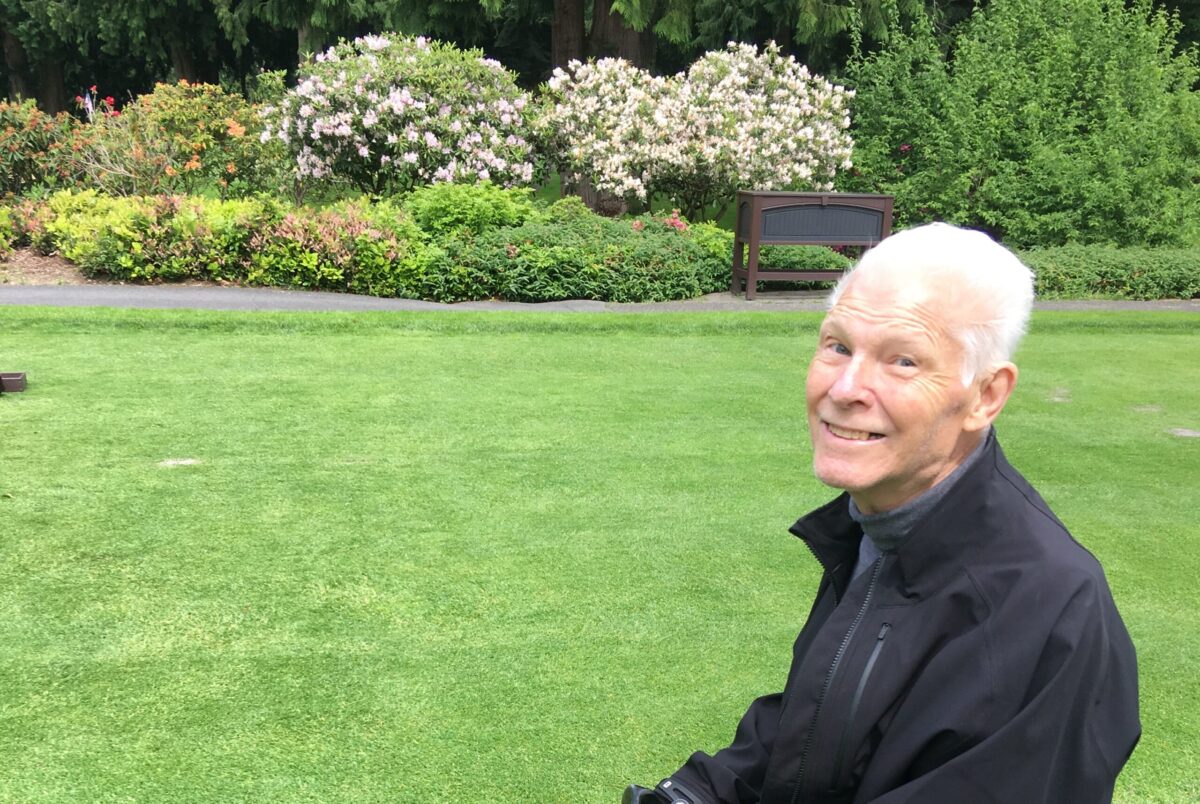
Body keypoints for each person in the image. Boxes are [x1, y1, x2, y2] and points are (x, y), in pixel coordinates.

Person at [624, 223, 1140, 804]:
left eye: (903, 361)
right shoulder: (883, 523)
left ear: (986, 396)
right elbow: (821, 723)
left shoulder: (1049, 612)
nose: (845, 388)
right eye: (838, 346)